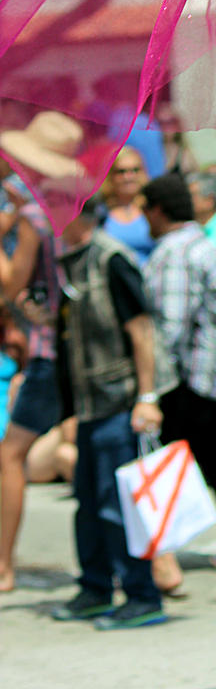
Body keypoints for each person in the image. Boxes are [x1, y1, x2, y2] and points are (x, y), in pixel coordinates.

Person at [51, 197, 174, 628]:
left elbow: (141, 330)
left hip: (119, 398)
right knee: (88, 501)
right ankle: (95, 587)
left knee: (116, 503)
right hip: (88, 405)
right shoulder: (69, 261)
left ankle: (142, 594)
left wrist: (147, 396)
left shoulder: (111, 258)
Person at [141, 173, 216, 566]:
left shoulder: (175, 253)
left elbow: (169, 325)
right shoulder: (202, 244)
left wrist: (151, 385)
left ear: (158, 210)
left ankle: (162, 554)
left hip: (197, 375)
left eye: (146, 210)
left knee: (170, 457)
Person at [0, 113, 75, 591]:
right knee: (100, 451)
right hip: (80, 345)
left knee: (11, 455)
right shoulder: (76, 206)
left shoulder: (32, 216)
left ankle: (3, 564)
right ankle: (159, 562)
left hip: (49, 351)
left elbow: (12, 283)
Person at [98, 143, 155, 264]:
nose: (128, 177)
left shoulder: (154, 207)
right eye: (121, 171)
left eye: (135, 170)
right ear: (110, 176)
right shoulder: (101, 212)